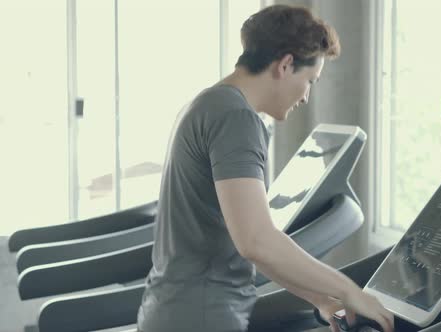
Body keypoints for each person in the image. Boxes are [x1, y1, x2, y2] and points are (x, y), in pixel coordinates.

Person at [137, 4, 394, 332]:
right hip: (201, 316)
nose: (306, 97)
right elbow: (257, 241)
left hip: (176, 309)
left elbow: (249, 241)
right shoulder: (236, 118)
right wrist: (349, 291)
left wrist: (320, 298)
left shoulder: (209, 102)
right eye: (310, 80)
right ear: (286, 65)